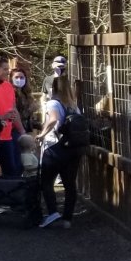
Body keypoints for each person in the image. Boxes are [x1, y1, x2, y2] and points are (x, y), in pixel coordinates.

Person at [38, 75, 83, 227]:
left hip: (55, 147)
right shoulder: (73, 106)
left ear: (54, 88)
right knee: (69, 184)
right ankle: (67, 219)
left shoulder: (53, 103)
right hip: (73, 149)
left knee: (46, 182)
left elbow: (53, 120)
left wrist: (41, 134)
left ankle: (52, 213)